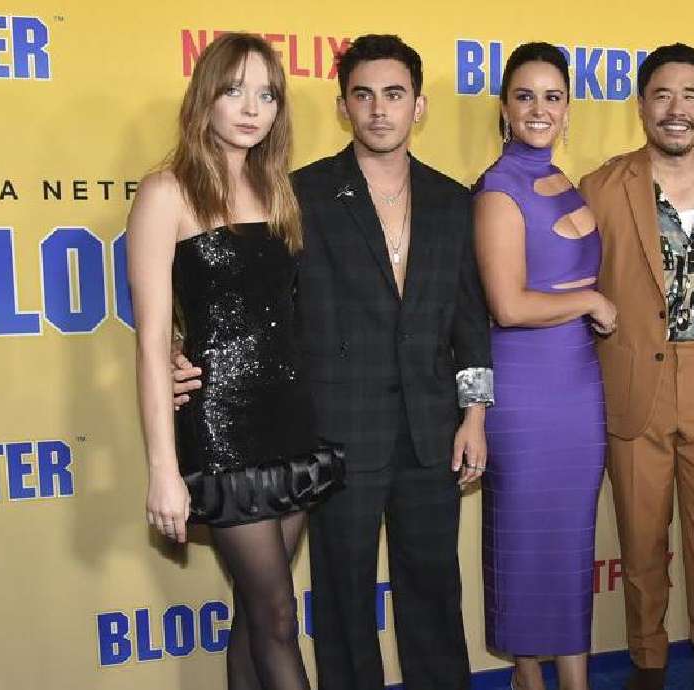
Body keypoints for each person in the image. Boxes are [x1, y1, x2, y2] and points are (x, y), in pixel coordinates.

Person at [175, 34, 493, 690]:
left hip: (433, 432)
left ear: (419, 105)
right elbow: (251, 295)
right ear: (344, 107)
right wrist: (187, 348)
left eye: (395, 95)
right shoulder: (299, 194)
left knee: (435, 595)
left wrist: (476, 413)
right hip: (335, 430)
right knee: (344, 603)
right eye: (364, 95)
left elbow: (470, 320)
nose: (380, 109)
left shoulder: (452, 199)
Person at [129, 33, 340, 690]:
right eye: (234, 90)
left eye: (267, 94)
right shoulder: (167, 193)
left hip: (290, 423)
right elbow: (151, 340)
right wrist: (166, 471)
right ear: (206, 97)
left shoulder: (277, 190)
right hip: (222, 430)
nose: (251, 108)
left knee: (255, 617)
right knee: (278, 617)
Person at [578, 43, 694, 690]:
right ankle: (648, 665)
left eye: (690, 95)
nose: (676, 110)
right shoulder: (602, 187)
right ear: (641, 106)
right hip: (635, 387)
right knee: (642, 545)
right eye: (662, 95)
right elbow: (560, 270)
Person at [471, 42, 612, 690]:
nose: (539, 109)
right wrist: (588, 300)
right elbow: (506, 305)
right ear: (504, 108)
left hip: (579, 391)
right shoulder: (499, 190)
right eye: (525, 96)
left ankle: (576, 681)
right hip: (525, 398)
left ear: (567, 109)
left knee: (569, 546)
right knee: (527, 547)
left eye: (551, 97)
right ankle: (530, 678)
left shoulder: (565, 181)